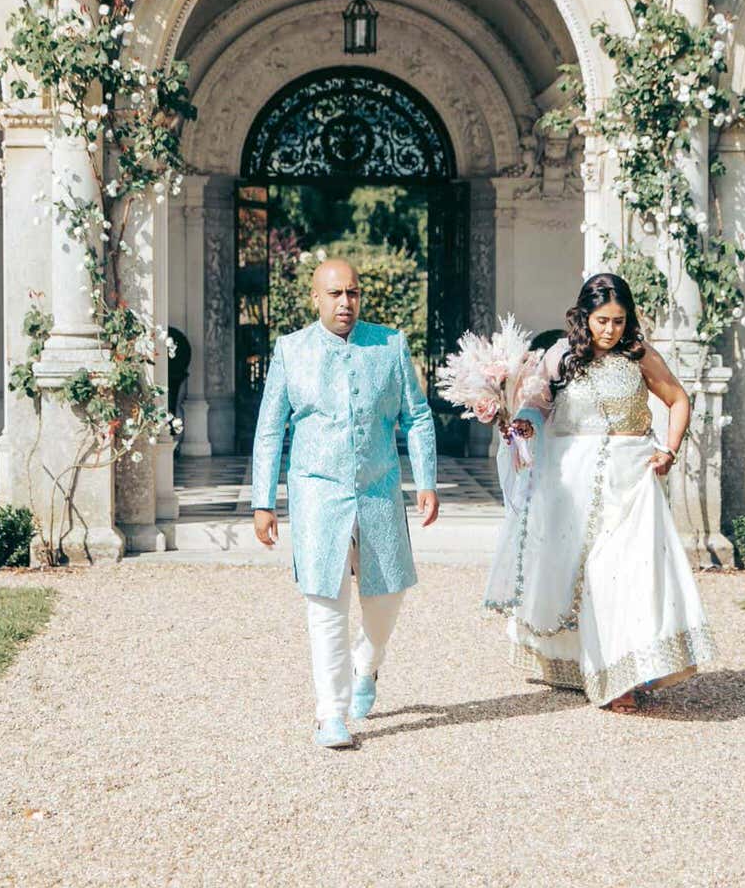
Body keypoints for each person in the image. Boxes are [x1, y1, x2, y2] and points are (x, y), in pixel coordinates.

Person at [483, 272, 714, 712]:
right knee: (580, 575)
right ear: (584, 316)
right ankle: (583, 664)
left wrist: (669, 450)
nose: (610, 330)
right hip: (572, 482)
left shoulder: (639, 354)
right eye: (602, 320)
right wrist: (524, 422)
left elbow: (679, 400)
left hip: (631, 482)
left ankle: (623, 675)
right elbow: (538, 403)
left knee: (622, 575)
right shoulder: (561, 355)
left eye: (619, 321)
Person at [251, 259, 439, 749]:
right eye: (334, 294)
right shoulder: (291, 350)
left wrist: (426, 480)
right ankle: (330, 713)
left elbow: (417, 416)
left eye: (352, 293)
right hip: (317, 492)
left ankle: (367, 665)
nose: (345, 303)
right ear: (315, 298)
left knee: (387, 597)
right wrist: (263, 501)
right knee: (325, 600)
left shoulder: (390, 344)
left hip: (379, 488)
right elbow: (269, 429)